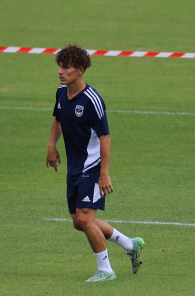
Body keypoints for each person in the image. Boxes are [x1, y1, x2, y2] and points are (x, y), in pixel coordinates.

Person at [46, 43, 145, 282]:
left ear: (80, 69)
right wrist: (51, 145)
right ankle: (131, 245)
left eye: (66, 67)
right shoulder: (61, 92)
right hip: (74, 167)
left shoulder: (92, 99)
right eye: (60, 65)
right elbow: (58, 119)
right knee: (78, 223)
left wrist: (104, 173)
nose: (61, 71)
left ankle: (106, 271)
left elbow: (105, 137)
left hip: (92, 167)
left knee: (85, 219)